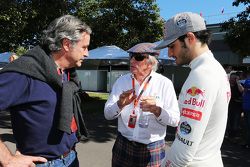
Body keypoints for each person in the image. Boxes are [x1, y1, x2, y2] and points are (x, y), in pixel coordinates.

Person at [0, 15, 91, 167]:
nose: (87, 53)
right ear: (67, 44)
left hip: (71, 158)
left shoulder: (68, 73)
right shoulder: (25, 72)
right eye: (84, 47)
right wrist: (7, 159)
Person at [155, 12, 231, 167]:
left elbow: (183, 153)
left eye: (171, 46)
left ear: (190, 38)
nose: (169, 53)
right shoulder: (216, 69)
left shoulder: (201, 75)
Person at [104, 42, 180, 167]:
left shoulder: (164, 84)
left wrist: (157, 110)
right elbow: (107, 114)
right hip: (123, 144)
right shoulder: (122, 81)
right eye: (131, 56)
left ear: (151, 63)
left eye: (138, 57)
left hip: (152, 147)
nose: (132, 60)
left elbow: (175, 120)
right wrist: (119, 104)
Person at [227, 72, 244, 140]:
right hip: (229, 105)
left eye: (234, 78)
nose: (232, 80)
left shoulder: (239, 85)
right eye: (231, 78)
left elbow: (242, 90)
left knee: (235, 121)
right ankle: (229, 135)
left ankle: (234, 135)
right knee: (229, 121)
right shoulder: (227, 85)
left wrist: (237, 82)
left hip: (237, 106)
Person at [242, 70, 250, 149]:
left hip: (247, 107)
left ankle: (247, 143)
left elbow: (246, 85)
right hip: (246, 107)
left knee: (247, 126)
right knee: (246, 126)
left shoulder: (247, 81)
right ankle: (247, 142)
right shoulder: (247, 81)